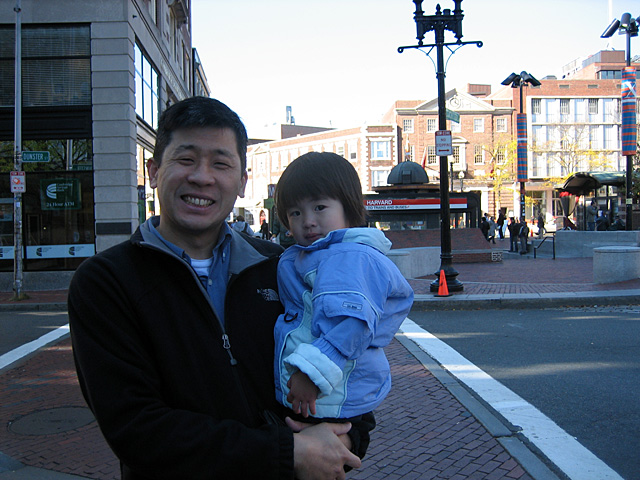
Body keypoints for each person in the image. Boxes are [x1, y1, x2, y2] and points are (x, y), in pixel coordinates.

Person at [68, 97, 369, 480]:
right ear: (154, 170)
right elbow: (136, 428)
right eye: (186, 159)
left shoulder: (283, 267)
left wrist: (346, 440)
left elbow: (351, 362)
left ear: (242, 182)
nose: (202, 177)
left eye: (221, 163)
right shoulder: (106, 282)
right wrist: (286, 452)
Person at [272, 152, 414, 423]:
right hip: (323, 394)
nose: (308, 220)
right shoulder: (317, 253)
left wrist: (310, 374)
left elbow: (351, 325)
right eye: (295, 212)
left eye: (319, 207)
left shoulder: (346, 256)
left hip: (328, 395)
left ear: (348, 208)